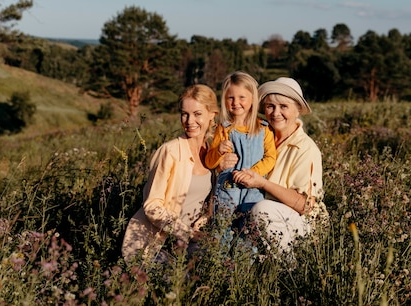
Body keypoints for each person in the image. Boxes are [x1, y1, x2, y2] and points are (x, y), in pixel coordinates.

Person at [121, 84, 219, 265]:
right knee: (174, 282)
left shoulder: (213, 153)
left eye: (197, 114)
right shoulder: (170, 151)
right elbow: (152, 206)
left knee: (211, 268)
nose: (189, 121)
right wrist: (187, 233)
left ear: (212, 115)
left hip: (190, 239)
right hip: (155, 242)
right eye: (185, 114)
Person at [231, 77, 328, 253]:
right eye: (270, 106)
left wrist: (262, 183)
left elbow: (305, 206)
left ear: (297, 110)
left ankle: (287, 269)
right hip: (265, 222)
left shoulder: (306, 148)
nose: (276, 113)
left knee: (262, 209)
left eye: (284, 106)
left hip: (302, 225)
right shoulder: (260, 138)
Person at [205, 72, 276, 226]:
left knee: (248, 227)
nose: (236, 102)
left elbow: (270, 157)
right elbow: (210, 162)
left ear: (252, 99)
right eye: (231, 97)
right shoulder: (223, 129)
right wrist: (218, 151)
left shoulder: (263, 129)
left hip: (254, 188)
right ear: (225, 99)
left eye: (242, 97)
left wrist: (253, 173)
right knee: (223, 226)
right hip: (228, 188)